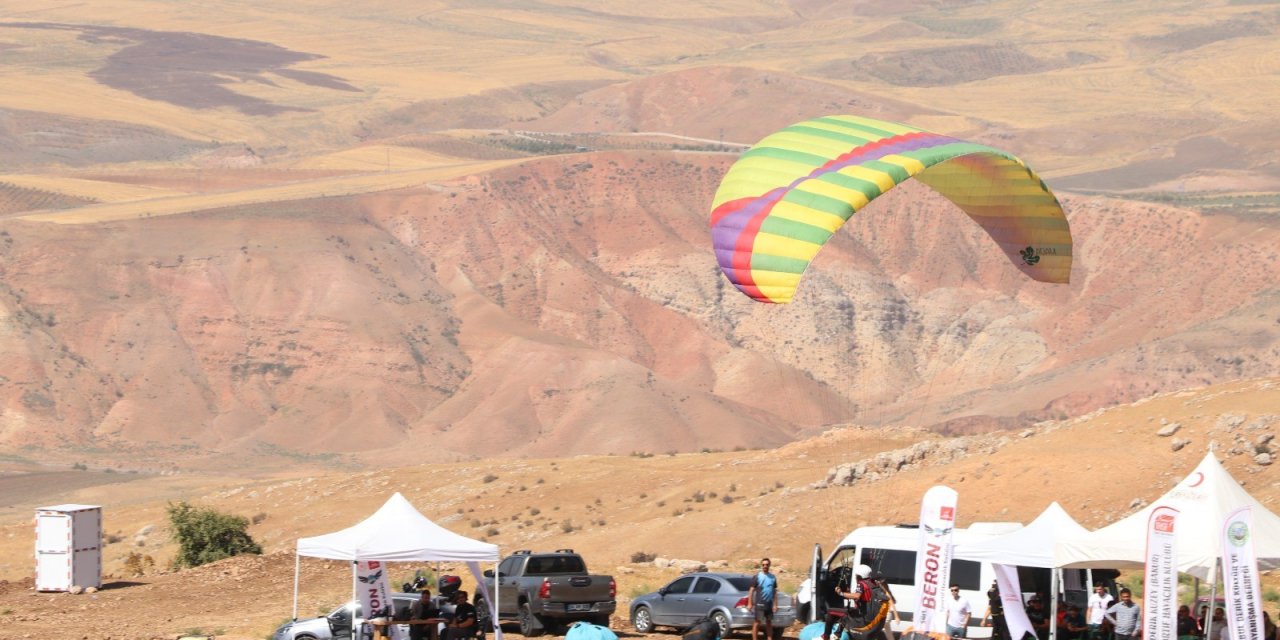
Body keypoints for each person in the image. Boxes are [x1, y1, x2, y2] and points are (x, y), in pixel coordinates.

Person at [822, 564, 873, 640]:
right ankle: (837, 634)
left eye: (856, 575)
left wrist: (841, 593)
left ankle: (826, 637)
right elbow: (863, 598)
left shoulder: (861, 584)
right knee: (845, 609)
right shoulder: (872, 583)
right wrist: (848, 594)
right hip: (867, 612)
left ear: (860, 575)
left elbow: (857, 596)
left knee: (830, 611)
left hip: (860, 614)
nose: (855, 577)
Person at [749, 557, 779, 640]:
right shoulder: (757, 576)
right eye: (763, 565)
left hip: (769, 604)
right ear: (761, 565)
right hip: (759, 603)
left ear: (769, 565)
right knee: (757, 622)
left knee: (769, 623)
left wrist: (775, 605)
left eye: (766, 564)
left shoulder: (773, 577)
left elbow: (775, 591)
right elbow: (751, 590)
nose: (765, 566)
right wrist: (750, 603)